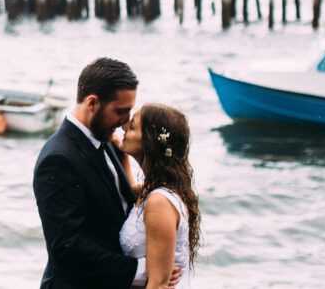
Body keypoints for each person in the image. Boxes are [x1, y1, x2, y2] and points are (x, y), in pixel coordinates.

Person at [33, 58, 180, 289]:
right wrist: (145, 270)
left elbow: (120, 205)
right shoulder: (58, 158)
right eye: (120, 112)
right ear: (92, 103)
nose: (125, 122)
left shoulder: (108, 143)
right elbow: (66, 246)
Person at [118, 104, 201, 289]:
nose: (123, 127)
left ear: (150, 142)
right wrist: (119, 152)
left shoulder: (159, 202)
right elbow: (131, 187)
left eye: (132, 127)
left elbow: (159, 284)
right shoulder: (153, 191)